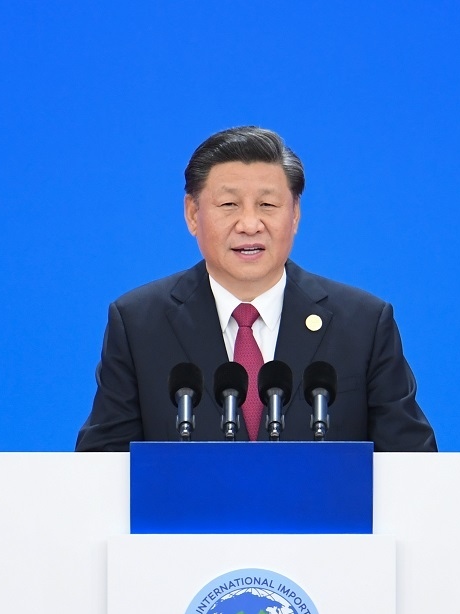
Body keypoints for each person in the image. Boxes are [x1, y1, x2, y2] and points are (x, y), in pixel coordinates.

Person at [75, 126, 436, 451]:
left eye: (267, 204)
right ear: (192, 214)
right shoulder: (139, 323)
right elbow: (101, 467)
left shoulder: (362, 324)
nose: (249, 224)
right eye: (229, 204)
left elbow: (414, 463)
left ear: (295, 214)